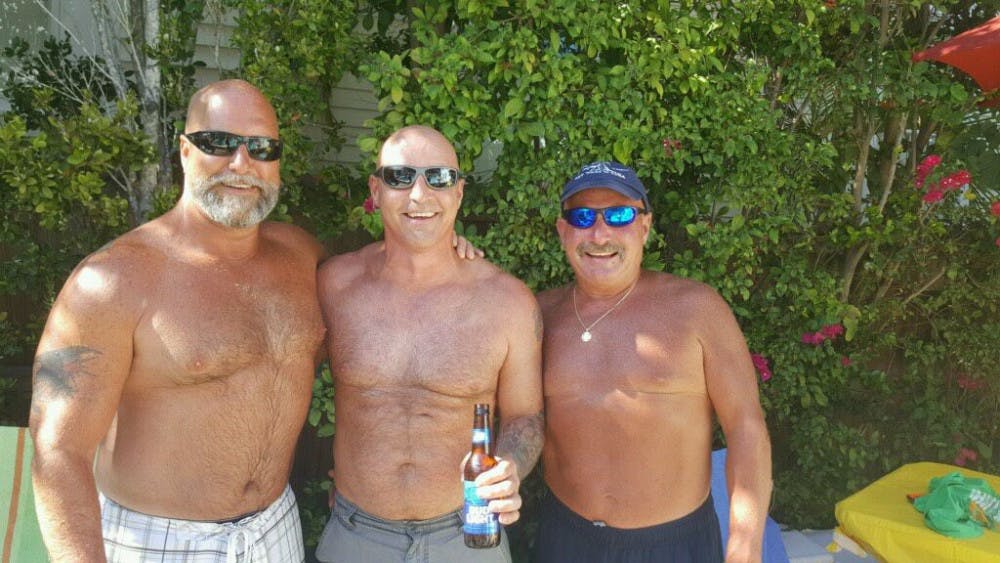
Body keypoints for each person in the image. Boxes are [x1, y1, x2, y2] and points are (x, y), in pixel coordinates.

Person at [314, 125, 544, 562]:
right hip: (357, 532)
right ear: (376, 190)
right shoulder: (334, 286)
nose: (419, 194)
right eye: (401, 177)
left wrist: (509, 467)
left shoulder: (507, 302)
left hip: (467, 533)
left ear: (458, 193)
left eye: (437, 178)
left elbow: (525, 416)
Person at [534, 162, 773, 563]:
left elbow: (746, 425)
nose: (599, 232)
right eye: (582, 217)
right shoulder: (539, 315)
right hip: (565, 538)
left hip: (675, 545)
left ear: (644, 227)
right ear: (563, 232)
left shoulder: (697, 308)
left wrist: (745, 541)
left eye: (620, 215)